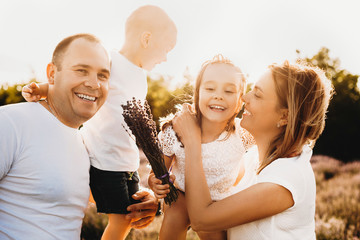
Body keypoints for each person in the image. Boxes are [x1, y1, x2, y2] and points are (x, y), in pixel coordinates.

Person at [22, 5, 177, 240]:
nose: (165, 58)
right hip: (103, 159)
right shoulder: (108, 61)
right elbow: (77, 83)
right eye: (165, 50)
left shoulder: (140, 75)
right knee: (122, 219)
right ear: (146, 39)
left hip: (126, 162)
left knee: (130, 219)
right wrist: (43, 89)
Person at [0, 33, 158, 239]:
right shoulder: (11, 124)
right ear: (52, 73)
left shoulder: (86, 145)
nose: (94, 84)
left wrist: (142, 200)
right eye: (81, 70)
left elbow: (91, 196)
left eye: (103, 75)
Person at [163, 61, 333, 239]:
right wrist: (157, 199)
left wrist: (191, 141)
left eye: (257, 95)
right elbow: (208, 198)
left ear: (284, 116)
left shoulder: (286, 179)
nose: (245, 97)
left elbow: (202, 219)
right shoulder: (252, 158)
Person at [147, 55, 255, 240]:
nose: (218, 95)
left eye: (229, 91)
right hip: (181, 193)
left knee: (213, 232)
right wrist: (154, 182)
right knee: (175, 216)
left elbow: (273, 138)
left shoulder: (242, 134)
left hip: (220, 201)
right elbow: (157, 172)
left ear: (240, 103)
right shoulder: (176, 130)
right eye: (210, 88)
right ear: (198, 94)